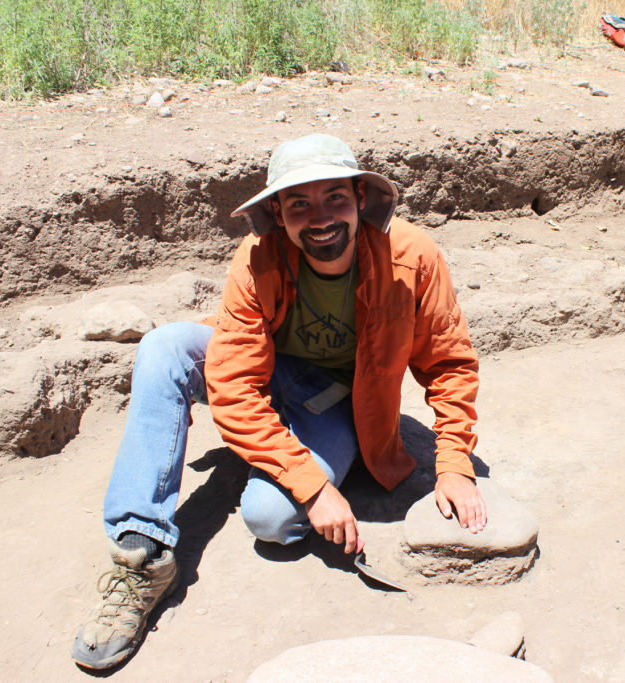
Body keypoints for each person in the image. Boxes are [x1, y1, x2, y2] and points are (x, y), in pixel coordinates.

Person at [71, 134, 487, 670]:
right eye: (299, 204)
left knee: (271, 522)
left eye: (335, 198)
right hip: (266, 375)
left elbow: (449, 363)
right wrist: (314, 488)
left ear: (362, 200)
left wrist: (455, 465)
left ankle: (287, 450)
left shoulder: (412, 258)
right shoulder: (257, 258)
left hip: (341, 401)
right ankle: (140, 551)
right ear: (277, 214)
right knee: (165, 347)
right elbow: (235, 382)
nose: (321, 218)